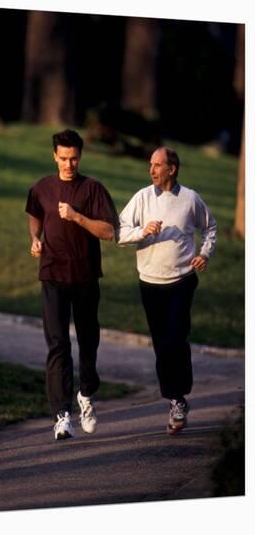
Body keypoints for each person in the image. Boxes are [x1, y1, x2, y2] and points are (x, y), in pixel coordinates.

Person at [117, 146, 217, 435]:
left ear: (172, 169)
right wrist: (143, 231)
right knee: (162, 345)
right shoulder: (142, 197)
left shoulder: (190, 199)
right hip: (149, 283)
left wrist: (205, 254)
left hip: (182, 281)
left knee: (175, 338)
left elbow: (210, 228)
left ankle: (179, 395)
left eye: (157, 165)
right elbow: (119, 232)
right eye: (150, 164)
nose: (152, 170)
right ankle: (176, 400)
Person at [25, 129, 117, 441]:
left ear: (81, 156)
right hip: (52, 275)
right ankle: (62, 416)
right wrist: (35, 238)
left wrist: (77, 217)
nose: (69, 164)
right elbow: (35, 215)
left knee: (88, 342)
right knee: (57, 344)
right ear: (54, 156)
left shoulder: (93, 190)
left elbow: (108, 232)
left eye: (74, 158)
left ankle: (86, 394)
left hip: (86, 277)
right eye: (63, 158)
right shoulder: (42, 188)